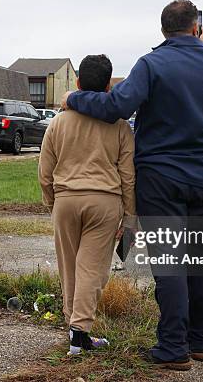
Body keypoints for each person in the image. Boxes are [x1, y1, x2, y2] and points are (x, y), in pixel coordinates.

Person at [62, 0, 203, 371]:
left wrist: (74, 97)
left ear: (162, 30)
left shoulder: (151, 64)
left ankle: (173, 347)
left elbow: (116, 108)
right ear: (196, 27)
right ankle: (201, 342)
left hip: (161, 178)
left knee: (170, 262)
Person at [38, 54, 136, 356]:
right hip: (104, 202)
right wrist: (130, 215)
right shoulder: (119, 125)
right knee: (92, 269)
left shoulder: (59, 122)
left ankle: (72, 327)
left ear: (77, 83)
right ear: (109, 87)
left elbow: (45, 169)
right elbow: (128, 175)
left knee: (69, 267)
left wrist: (52, 201)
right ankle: (79, 333)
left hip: (66, 200)